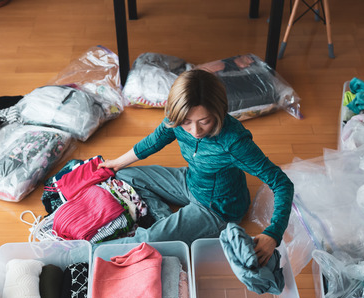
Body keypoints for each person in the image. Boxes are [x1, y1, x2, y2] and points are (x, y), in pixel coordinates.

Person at [98, 69, 294, 265]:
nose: (195, 131)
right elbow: (154, 140)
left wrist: (273, 233)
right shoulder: (177, 120)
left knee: (145, 241)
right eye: (187, 122)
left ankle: (83, 253)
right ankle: (166, 223)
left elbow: (281, 183)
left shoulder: (234, 142)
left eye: (204, 122)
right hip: (190, 180)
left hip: (217, 207)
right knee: (124, 175)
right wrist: (116, 163)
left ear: (218, 112)